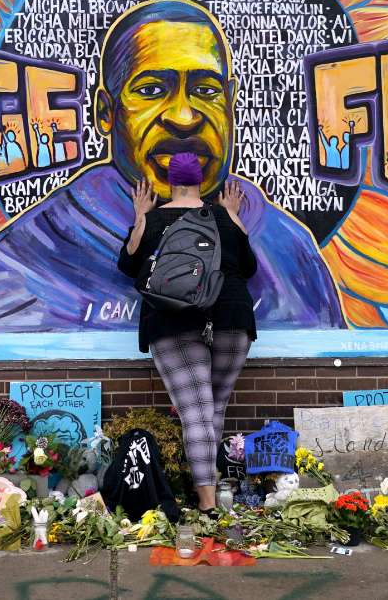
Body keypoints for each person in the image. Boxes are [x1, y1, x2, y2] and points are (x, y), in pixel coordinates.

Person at [0, 0, 342, 333]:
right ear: (105, 112)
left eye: (206, 90)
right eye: (151, 90)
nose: (184, 117)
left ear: (231, 103)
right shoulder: (15, 270)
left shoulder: (289, 252)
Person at [117, 152, 254, 512]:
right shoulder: (224, 217)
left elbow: (128, 265)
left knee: (195, 412)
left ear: (169, 181)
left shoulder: (152, 220)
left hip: (173, 319)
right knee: (214, 409)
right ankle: (213, 493)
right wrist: (233, 214)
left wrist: (140, 216)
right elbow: (248, 266)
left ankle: (207, 504)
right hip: (232, 316)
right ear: (201, 180)